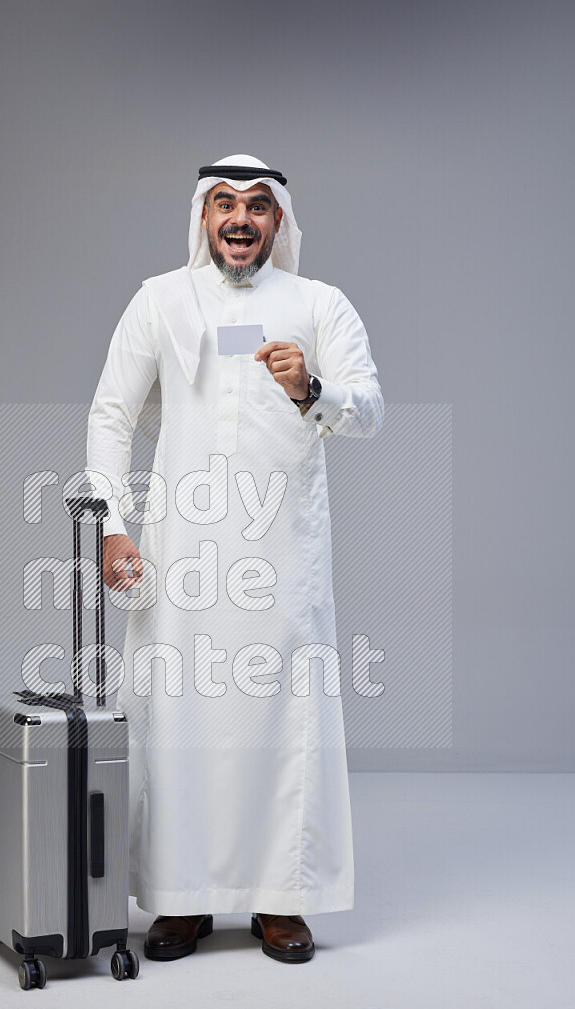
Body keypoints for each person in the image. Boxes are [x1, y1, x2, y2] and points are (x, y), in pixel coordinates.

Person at [84, 154, 383, 963]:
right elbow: (113, 413)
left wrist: (310, 386)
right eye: (225, 203)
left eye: (257, 204)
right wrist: (113, 524)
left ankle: (281, 900)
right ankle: (183, 899)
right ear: (203, 217)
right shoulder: (160, 299)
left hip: (283, 552)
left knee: (283, 720)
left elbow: (369, 408)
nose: (241, 218)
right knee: (177, 718)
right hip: (180, 549)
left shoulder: (318, 304)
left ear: (279, 220)